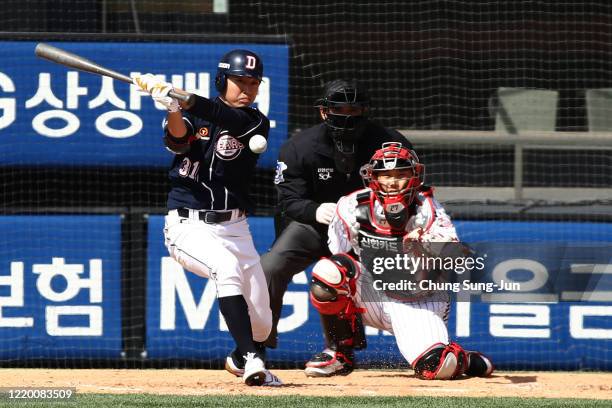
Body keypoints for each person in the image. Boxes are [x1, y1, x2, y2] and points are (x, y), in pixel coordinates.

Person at [133, 49, 282, 386]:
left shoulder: (255, 121)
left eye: (253, 83)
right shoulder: (194, 115)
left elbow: (221, 115)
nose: (246, 89)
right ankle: (254, 360)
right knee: (225, 270)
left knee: (263, 323)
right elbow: (179, 142)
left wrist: (181, 97)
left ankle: (241, 354)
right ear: (221, 80)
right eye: (239, 81)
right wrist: (171, 106)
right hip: (189, 225)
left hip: (236, 228)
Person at [304, 142, 494, 379]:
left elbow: (457, 256)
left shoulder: (428, 208)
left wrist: (425, 242)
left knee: (436, 368)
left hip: (418, 301)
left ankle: (466, 360)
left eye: (400, 175)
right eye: (385, 175)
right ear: (373, 177)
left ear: (414, 176)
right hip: (372, 293)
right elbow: (340, 255)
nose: (392, 182)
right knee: (328, 272)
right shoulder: (351, 205)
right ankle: (339, 354)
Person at [258, 79, 413, 357]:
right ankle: (255, 346)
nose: (348, 117)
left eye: (354, 111)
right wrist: (316, 210)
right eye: (340, 110)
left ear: (366, 111)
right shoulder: (299, 147)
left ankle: (342, 350)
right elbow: (289, 200)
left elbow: (411, 188)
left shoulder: (389, 142)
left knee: (340, 274)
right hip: (315, 225)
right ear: (323, 112)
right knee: (270, 267)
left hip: (371, 229)